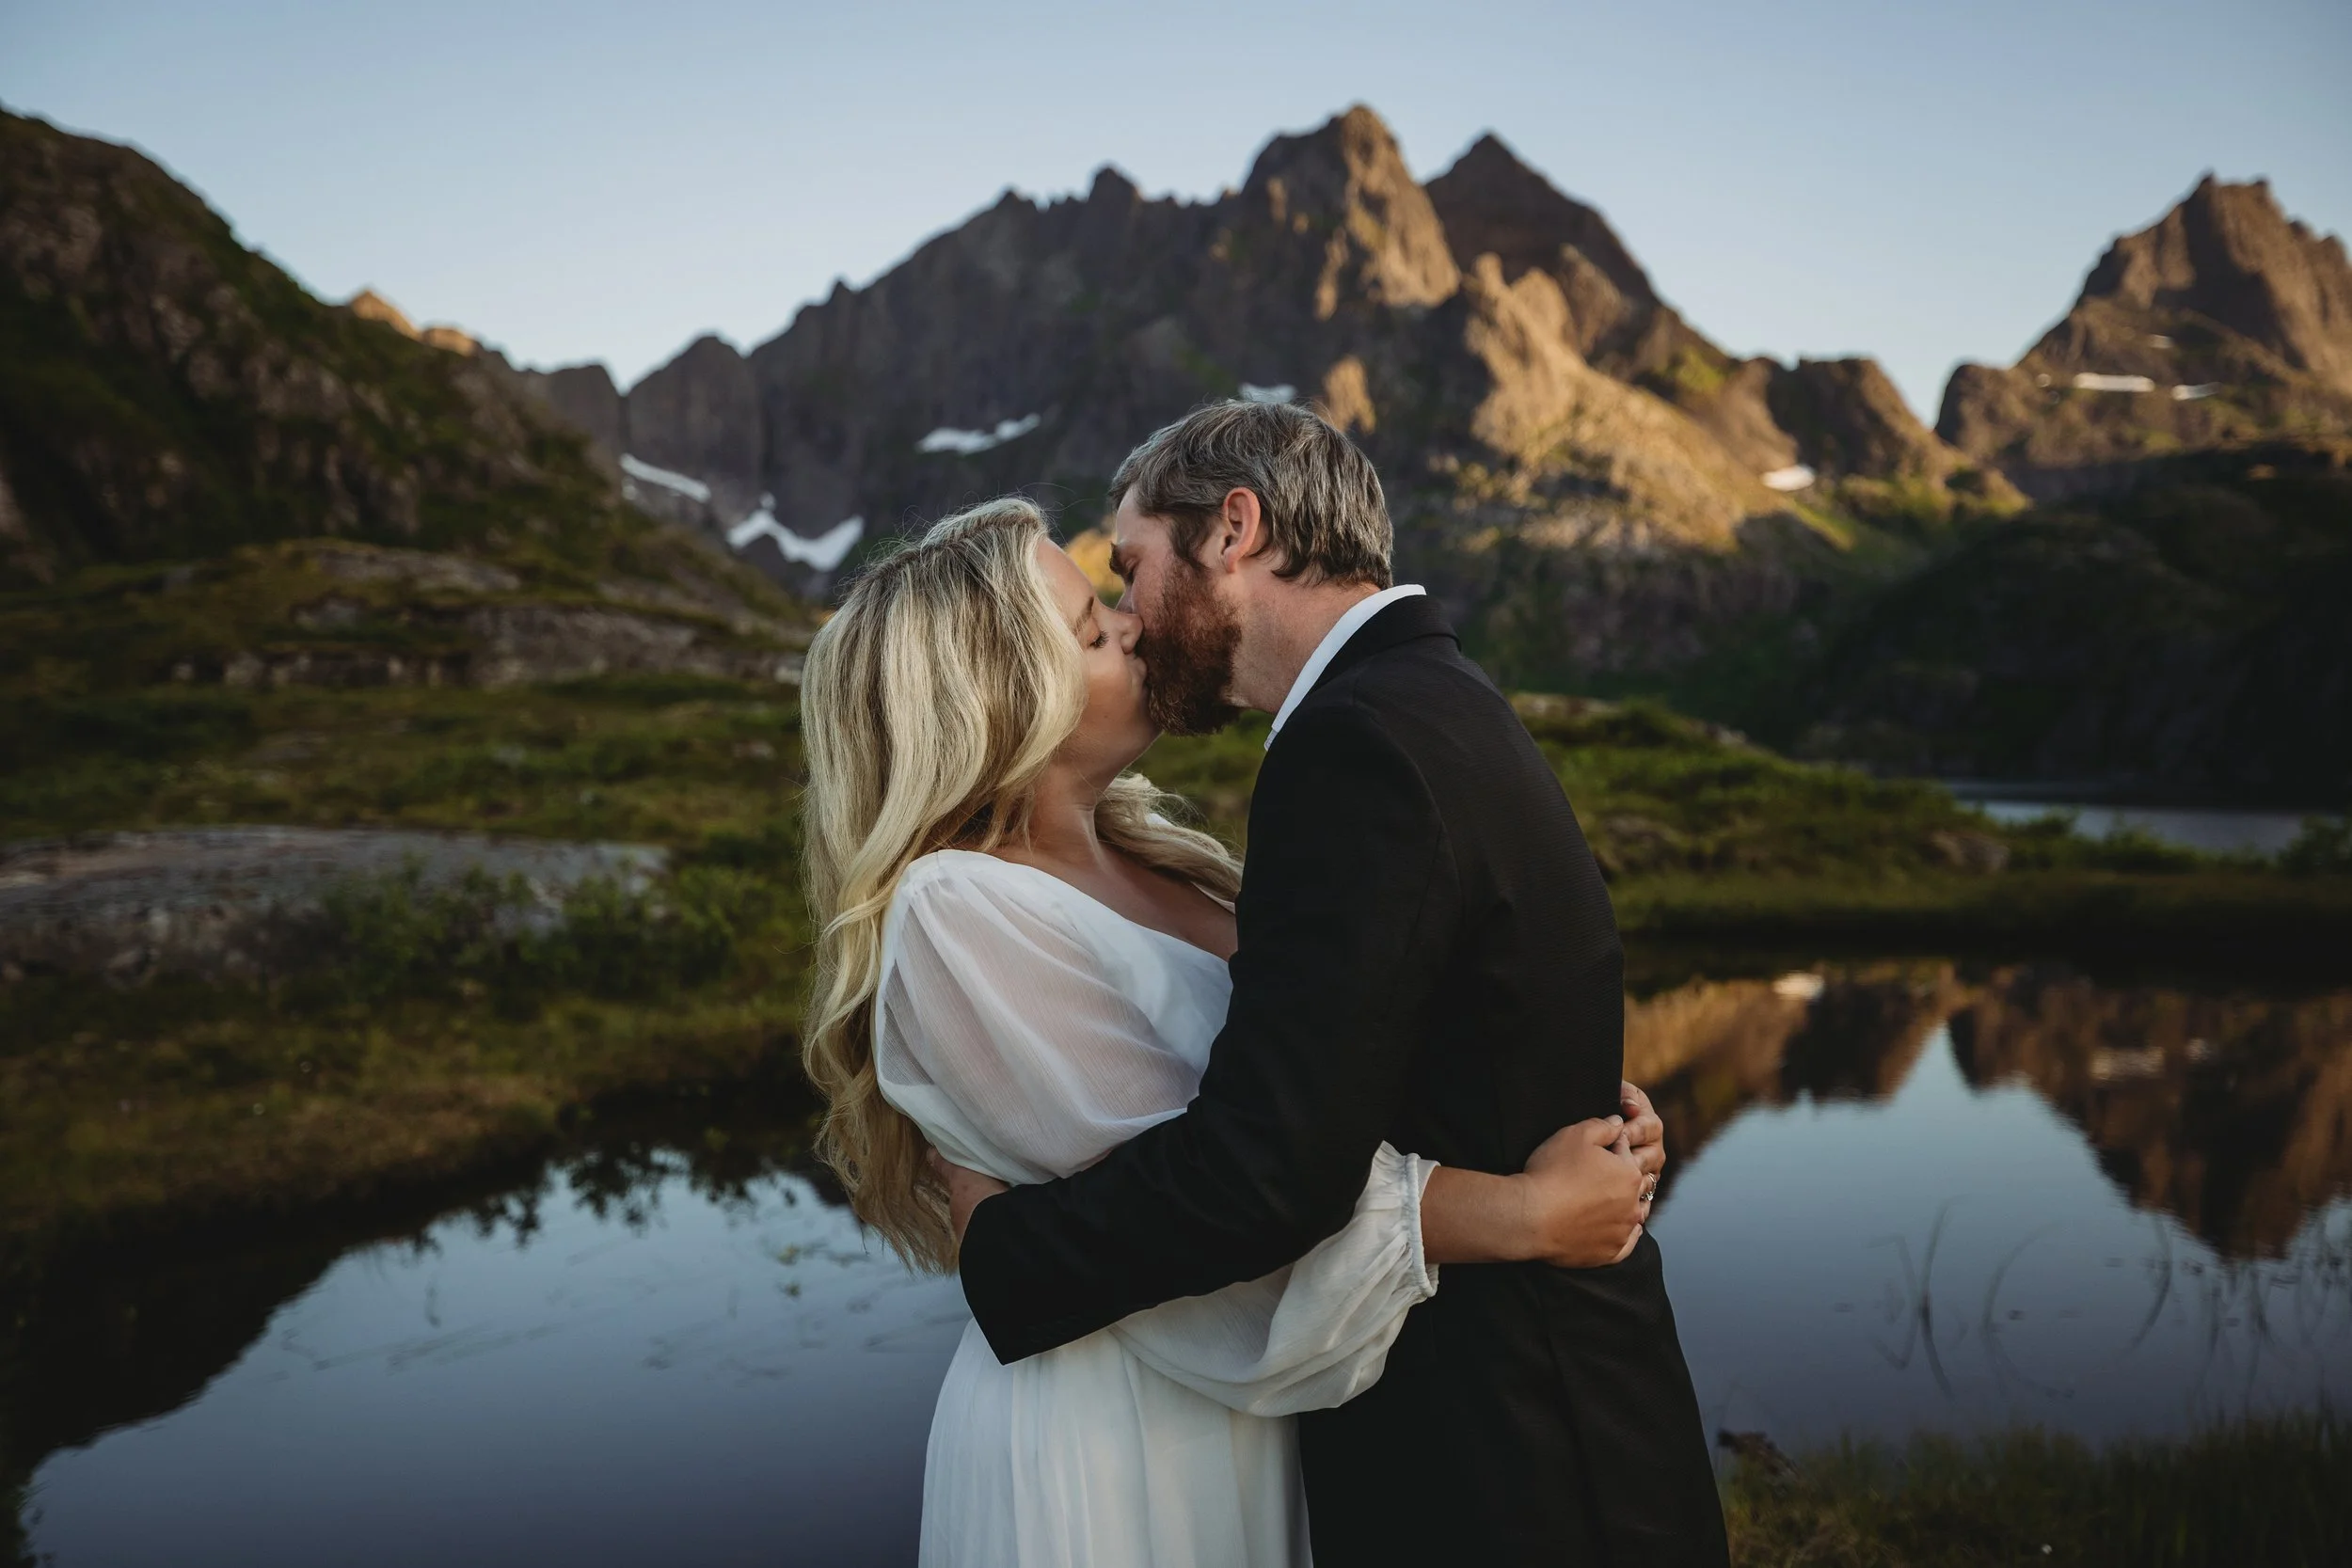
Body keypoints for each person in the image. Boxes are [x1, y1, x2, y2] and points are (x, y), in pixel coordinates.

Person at [800, 495, 1667, 1566]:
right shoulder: (957, 908)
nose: (1130, 626)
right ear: (993, 697)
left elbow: (1325, 1084)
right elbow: (1214, 1201)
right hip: (1116, 1423)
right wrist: (1528, 1210)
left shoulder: (1167, 858)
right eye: (1087, 629)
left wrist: (1568, 1114)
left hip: (1245, 1406)